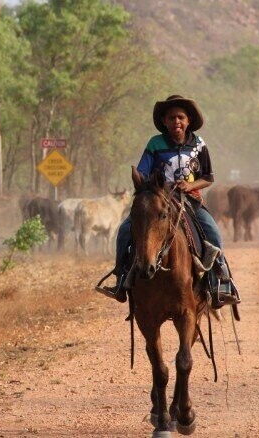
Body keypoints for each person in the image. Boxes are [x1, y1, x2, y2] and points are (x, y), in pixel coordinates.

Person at [98, 94, 240, 309]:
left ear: (188, 120)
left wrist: (190, 185)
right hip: (159, 200)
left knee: (213, 232)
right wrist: (148, 183)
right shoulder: (155, 144)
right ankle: (121, 278)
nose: (177, 122)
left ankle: (219, 283)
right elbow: (144, 172)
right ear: (164, 121)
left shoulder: (199, 144)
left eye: (181, 117)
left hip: (190, 200)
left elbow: (208, 178)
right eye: (172, 118)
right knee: (125, 230)